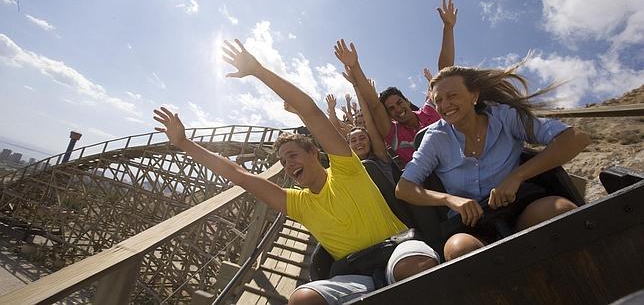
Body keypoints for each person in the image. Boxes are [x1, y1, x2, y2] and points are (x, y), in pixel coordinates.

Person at [154, 39, 439, 305]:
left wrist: (257, 70)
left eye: (293, 155)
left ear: (314, 153)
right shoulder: (297, 203)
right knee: (302, 299)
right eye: (283, 160)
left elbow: (310, 111)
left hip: (397, 250)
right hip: (355, 273)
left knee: (414, 269)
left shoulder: (347, 168)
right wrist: (184, 143)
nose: (288, 165)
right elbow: (238, 174)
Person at [395, 65, 591, 261]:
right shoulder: (435, 138)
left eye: (452, 95)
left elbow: (575, 138)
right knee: (459, 250)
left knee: (560, 211)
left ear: (474, 96)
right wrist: (450, 200)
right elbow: (404, 188)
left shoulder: (504, 115)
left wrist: (516, 177)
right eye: (438, 100)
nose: (445, 105)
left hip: (521, 206)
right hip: (473, 226)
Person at [334, 0, 458, 166]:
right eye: (391, 109)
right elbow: (373, 104)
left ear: (407, 101)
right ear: (389, 115)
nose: (398, 109)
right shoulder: (393, 132)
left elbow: (445, 74)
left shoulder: (430, 111)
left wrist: (448, 27)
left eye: (399, 103)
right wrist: (355, 67)